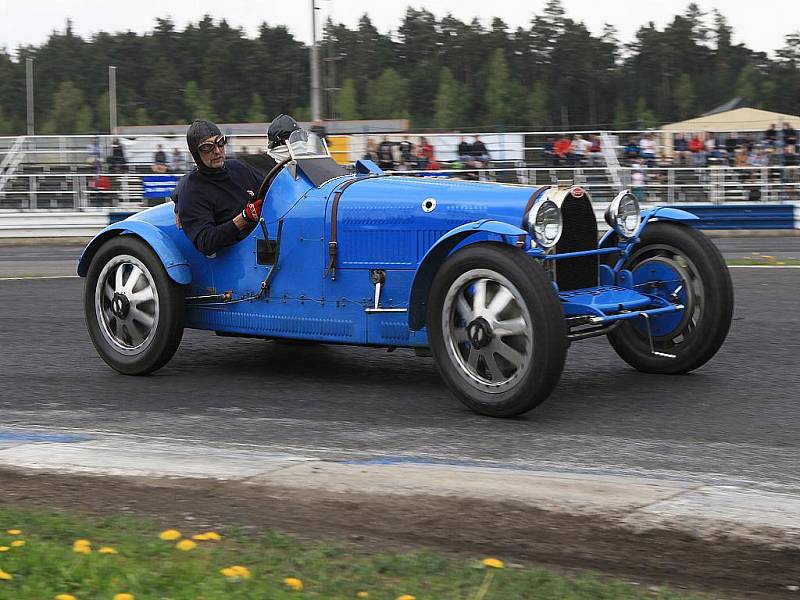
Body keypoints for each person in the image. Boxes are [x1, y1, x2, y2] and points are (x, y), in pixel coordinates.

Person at [175, 120, 266, 256]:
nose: (217, 151)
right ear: (196, 154)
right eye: (207, 147)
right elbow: (205, 242)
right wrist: (244, 217)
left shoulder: (238, 167)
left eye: (220, 142)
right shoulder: (192, 191)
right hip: (239, 257)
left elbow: (271, 186)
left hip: (263, 241)